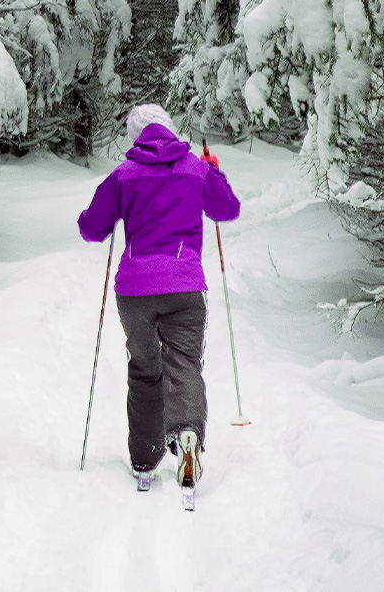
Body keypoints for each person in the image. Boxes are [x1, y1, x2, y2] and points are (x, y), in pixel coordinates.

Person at [78, 104, 240, 489]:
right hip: (184, 287)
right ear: (169, 130)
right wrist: (214, 171)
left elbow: (91, 229)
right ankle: (187, 435)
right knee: (184, 364)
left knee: (145, 369)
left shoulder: (124, 174)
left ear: (136, 137)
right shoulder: (196, 168)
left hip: (134, 291)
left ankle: (145, 459)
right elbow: (227, 209)